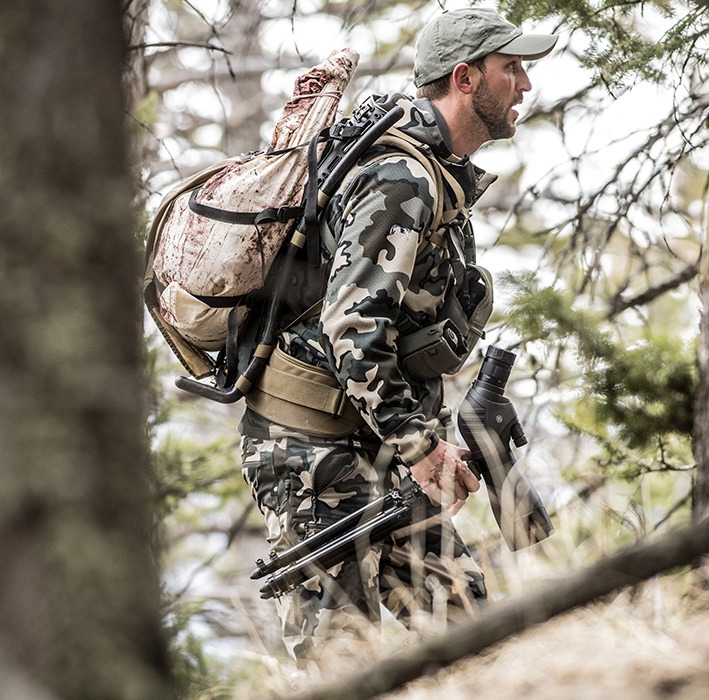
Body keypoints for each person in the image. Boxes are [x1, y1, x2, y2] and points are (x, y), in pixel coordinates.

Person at [238, 8, 555, 659]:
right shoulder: (401, 179)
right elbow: (354, 330)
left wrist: (428, 444)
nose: (525, 84)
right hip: (311, 455)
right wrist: (425, 449)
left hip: (374, 444)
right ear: (465, 78)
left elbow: (400, 335)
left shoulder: (437, 177)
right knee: (340, 662)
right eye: (512, 68)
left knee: (472, 630)